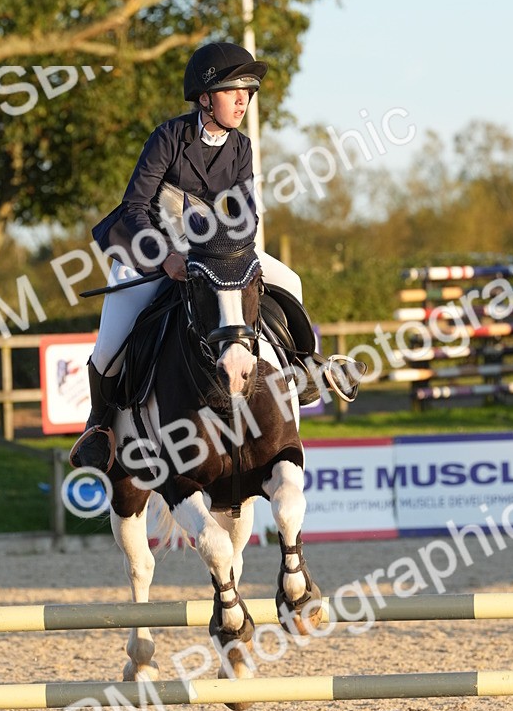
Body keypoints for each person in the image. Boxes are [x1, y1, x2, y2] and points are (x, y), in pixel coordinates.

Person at [70, 41, 357, 471]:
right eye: (232, 90)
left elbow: (246, 213)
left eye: (248, 91)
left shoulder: (240, 147)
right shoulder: (169, 137)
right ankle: (99, 426)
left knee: (292, 281)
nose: (243, 99)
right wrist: (165, 257)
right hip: (151, 247)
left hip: (217, 252)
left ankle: (304, 365)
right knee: (110, 345)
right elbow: (134, 206)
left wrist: (235, 254)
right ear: (205, 98)